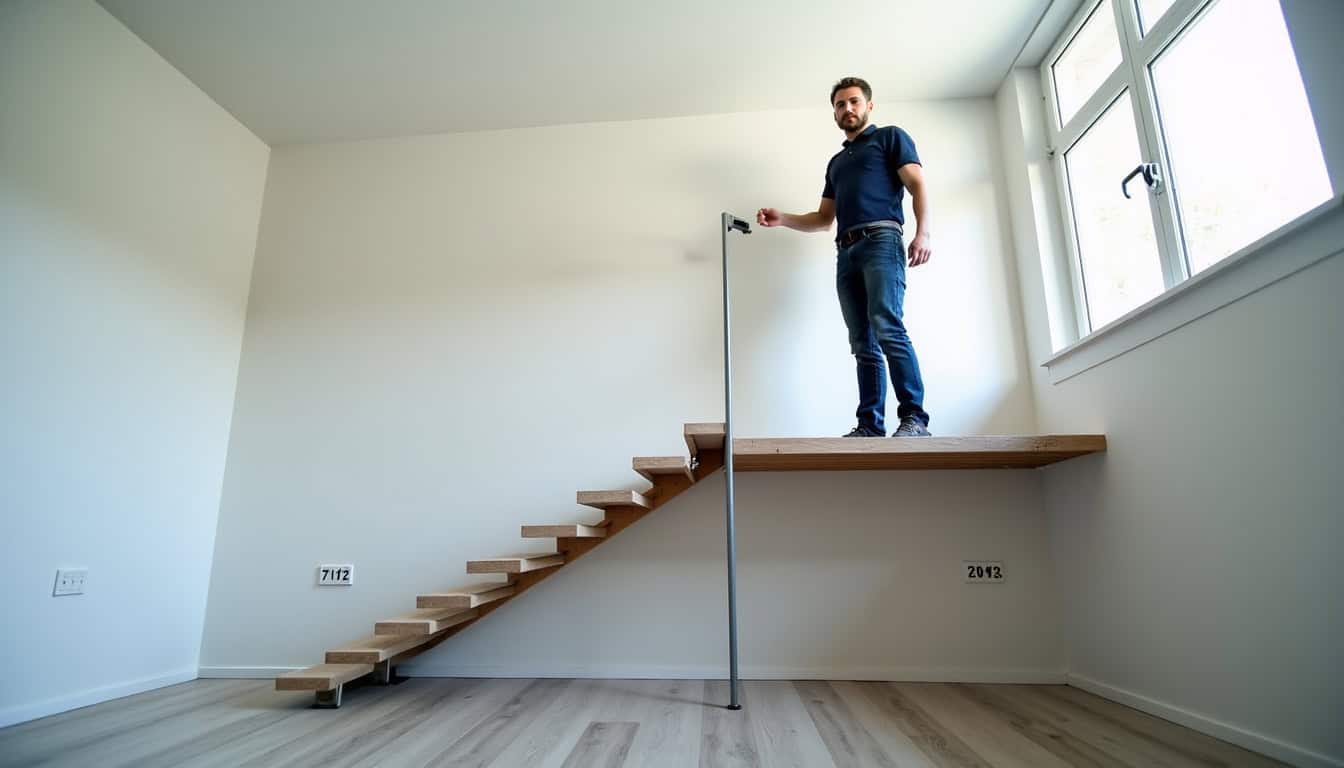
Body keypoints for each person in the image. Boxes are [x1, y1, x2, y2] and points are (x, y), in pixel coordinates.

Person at [757, 76, 933, 437]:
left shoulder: (889, 137)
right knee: (862, 341)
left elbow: (917, 184)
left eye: (854, 101)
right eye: (840, 104)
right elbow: (823, 220)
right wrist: (783, 219)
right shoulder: (837, 162)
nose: (847, 108)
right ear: (834, 113)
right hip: (846, 251)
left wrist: (923, 232)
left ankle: (914, 418)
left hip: (882, 239)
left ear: (869, 105)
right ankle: (869, 425)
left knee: (887, 324)